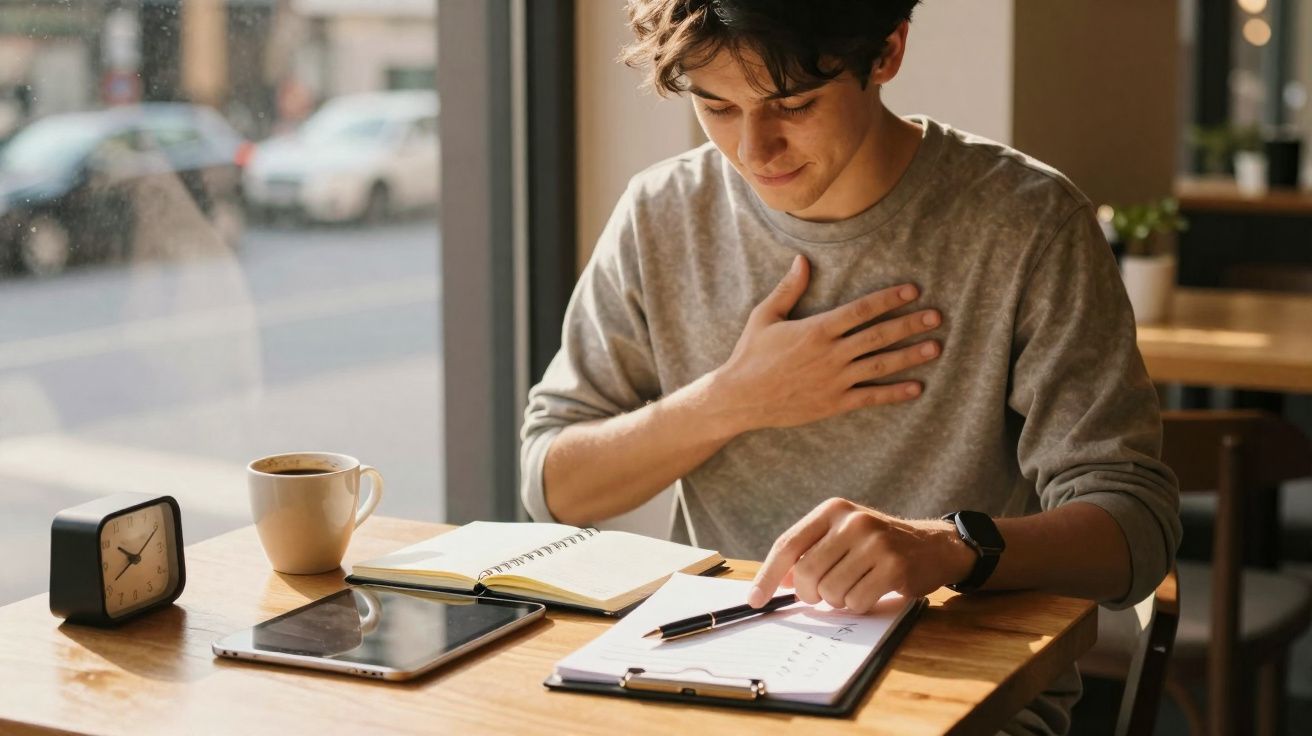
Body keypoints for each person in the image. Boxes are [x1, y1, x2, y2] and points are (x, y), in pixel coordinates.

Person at [520, 2, 1181, 732]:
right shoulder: (661, 212)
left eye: (793, 105)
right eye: (716, 106)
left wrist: (949, 546)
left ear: (887, 52)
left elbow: (1136, 531)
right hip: (711, 686)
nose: (753, 149)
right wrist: (731, 401)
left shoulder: (1027, 222)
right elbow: (553, 485)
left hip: (963, 700)